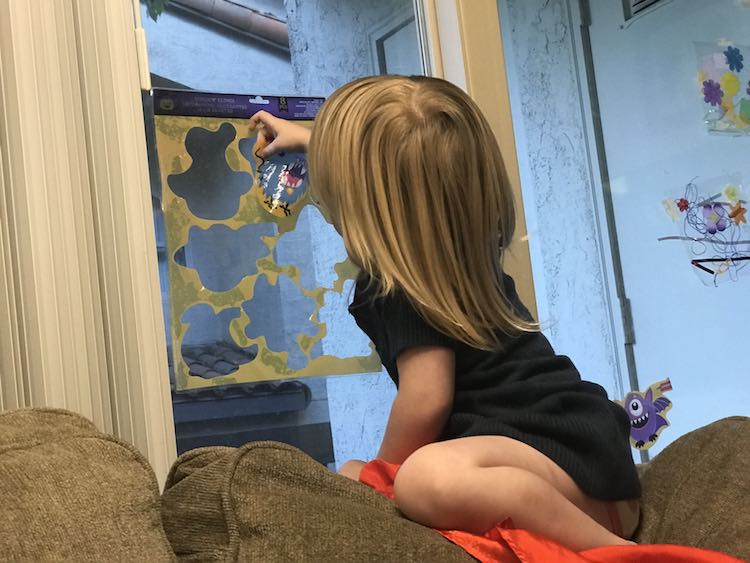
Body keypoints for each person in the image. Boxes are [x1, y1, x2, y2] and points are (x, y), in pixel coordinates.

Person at [248, 75, 640, 551]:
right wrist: (310, 139)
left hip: (558, 473)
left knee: (421, 478)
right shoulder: (458, 249)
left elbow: (426, 400)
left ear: (357, 196)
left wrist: (383, 475)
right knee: (354, 474)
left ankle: (617, 555)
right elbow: (408, 175)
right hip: (594, 461)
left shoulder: (394, 284)